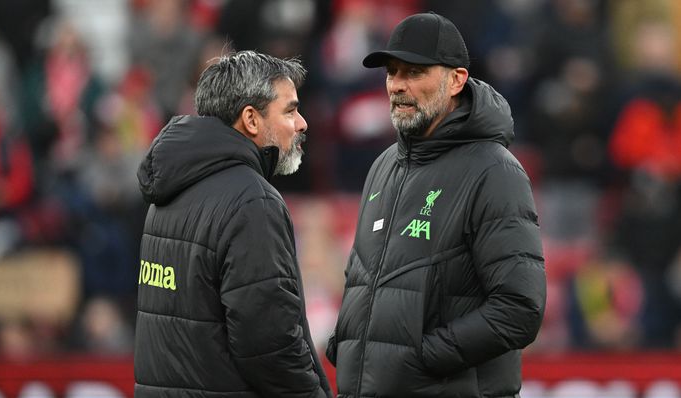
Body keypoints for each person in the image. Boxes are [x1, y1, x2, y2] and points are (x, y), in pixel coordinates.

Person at [326, 12, 547, 397]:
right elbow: (364, 281)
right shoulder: (383, 166)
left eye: (413, 73)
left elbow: (519, 309)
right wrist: (347, 345)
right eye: (392, 73)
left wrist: (421, 359)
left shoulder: (494, 170)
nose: (396, 86)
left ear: (456, 79)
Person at [134, 50, 332, 398]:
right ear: (251, 120)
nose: (302, 123)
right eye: (290, 110)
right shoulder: (252, 202)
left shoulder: (167, 190)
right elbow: (270, 346)